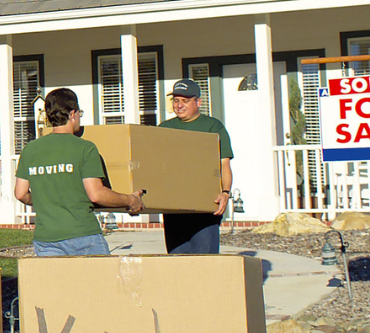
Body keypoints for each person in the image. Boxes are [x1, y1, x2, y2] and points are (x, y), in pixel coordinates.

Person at [13, 87, 143, 256]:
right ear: (72, 114)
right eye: (80, 113)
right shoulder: (85, 148)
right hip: (83, 235)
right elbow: (96, 194)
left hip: (46, 239)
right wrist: (130, 200)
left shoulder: (30, 149)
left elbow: (20, 193)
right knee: (98, 282)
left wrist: (47, 201)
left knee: (58, 283)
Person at [158, 78, 234, 254]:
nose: (179, 105)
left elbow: (224, 164)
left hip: (205, 205)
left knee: (205, 259)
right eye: (176, 101)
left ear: (198, 102)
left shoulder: (212, 126)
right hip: (174, 206)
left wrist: (226, 192)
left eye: (185, 101)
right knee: (178, 259)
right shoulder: (165, 128)